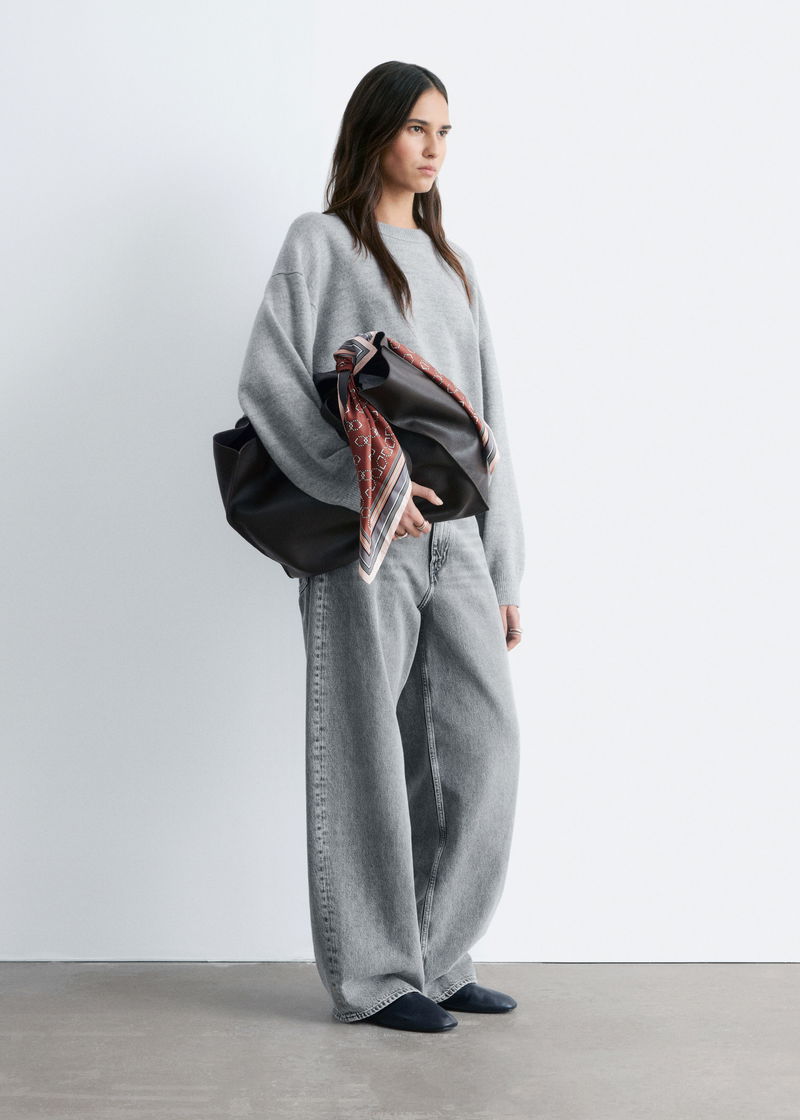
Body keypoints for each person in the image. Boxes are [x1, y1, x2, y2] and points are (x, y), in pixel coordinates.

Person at [237, 61, 525, 1032]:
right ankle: (374, 979)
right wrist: (361, 484)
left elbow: (489, 425)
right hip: (368, 541)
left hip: (457, 542)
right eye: (415, 128)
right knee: (361, 749)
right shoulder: (320, 243)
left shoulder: (454, 265)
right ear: (374, 134)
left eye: (444, 130)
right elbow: (269, 381)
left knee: (483, 749)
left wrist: (504, 564)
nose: (434, 147)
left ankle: (437, 960)